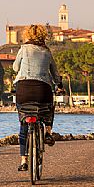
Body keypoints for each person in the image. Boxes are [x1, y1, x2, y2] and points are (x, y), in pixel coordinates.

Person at [12, 24, 64, 171]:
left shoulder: (23, 49)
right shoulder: (47, 52)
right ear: (43, 36)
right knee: (49, 108)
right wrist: (60, 85)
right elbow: (55, 74)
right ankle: (48, 132)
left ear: (27, 35)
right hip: (42, 90)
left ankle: (23, 160)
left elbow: (15, 68)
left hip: (23, 90)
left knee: (23, 123)